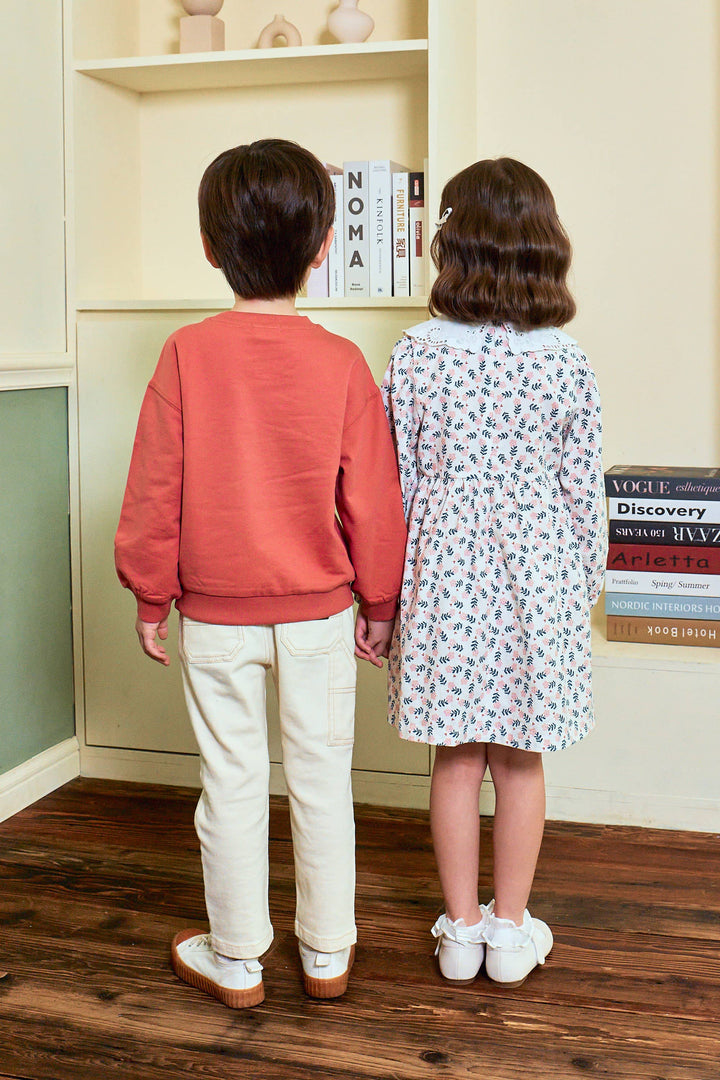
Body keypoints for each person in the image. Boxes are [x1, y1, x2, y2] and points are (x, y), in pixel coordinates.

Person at [115, 138, 407, 1008]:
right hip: (319, 616)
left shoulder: (185, 353)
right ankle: (327, 954)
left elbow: (154, 486)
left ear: (210, 247)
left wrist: (151, 592)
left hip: (215, 619)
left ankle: (237, 958)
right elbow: (374, 499)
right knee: (322, 781)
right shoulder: (342, 361)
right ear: (322, 249)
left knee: (231, 783)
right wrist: (380, 601)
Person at [382, 157, 607, 988]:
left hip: (443, 573)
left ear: (453, 243)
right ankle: (511, 933)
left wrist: (388, 595)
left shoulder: (416, 355)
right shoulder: (566, 361)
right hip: (538, 575)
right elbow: (582, 493)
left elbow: (397, 485)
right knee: (520, 759)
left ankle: (461, 932)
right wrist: (582, 585)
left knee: (454, 758)